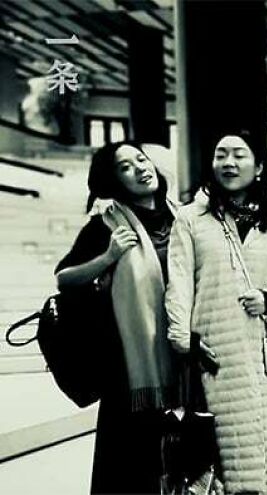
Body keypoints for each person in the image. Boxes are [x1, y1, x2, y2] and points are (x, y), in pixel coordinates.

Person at [165, 130, 267, 494]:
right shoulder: (191, 218)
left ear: (259, 166)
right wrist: (184, 340)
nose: (229, 162)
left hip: (266, 353)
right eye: (221, 154)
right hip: (216, 350)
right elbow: (179, 281)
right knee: (224, 461)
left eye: (239, 155)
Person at [55, 142, 178, 494]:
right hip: (130, 371)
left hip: (185, 360)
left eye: (141, 159)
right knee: (130, 470)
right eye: (126, 166)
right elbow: (65, 278)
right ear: (113, 179)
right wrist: (109, 256)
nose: (140, 168)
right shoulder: (105, 225)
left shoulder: (183, 217)